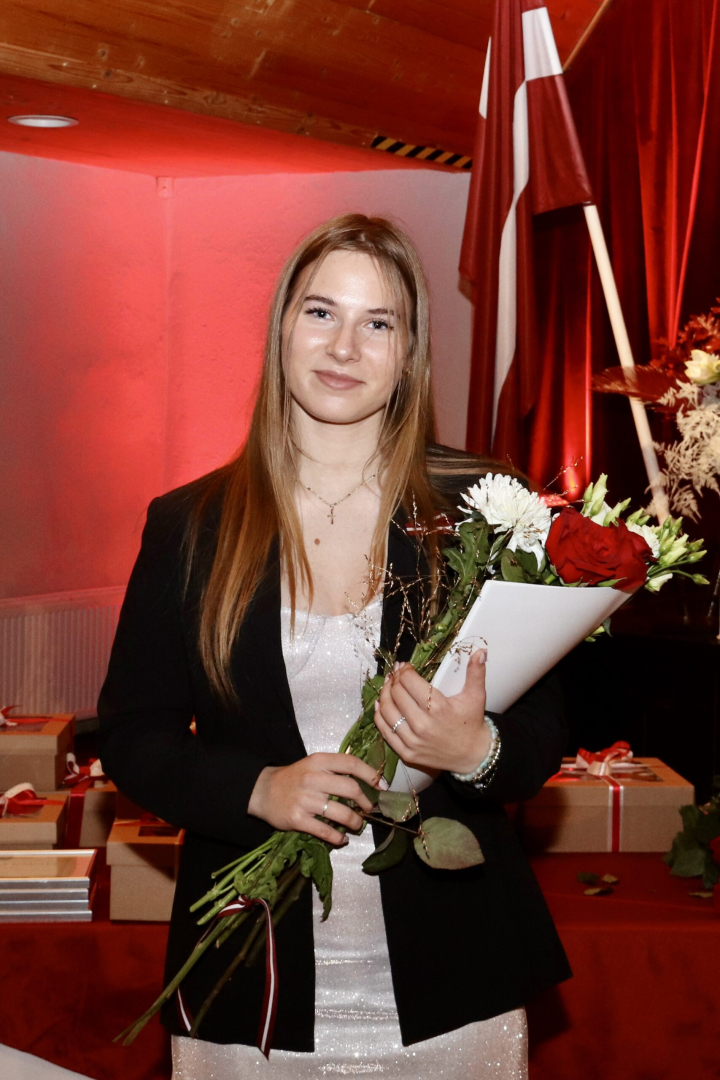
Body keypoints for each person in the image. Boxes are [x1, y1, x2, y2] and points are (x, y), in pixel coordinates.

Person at [98, 213, 571, 1079]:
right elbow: (133, 735)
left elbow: (546, 727)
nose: (344, 347)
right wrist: (258, 788)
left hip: (452, 981)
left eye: (377, 323)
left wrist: (476, 750)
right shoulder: (190, 525)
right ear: (282, 327)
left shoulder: (484, 507)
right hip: (252, 983)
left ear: (408, 353)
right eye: (321, 312)